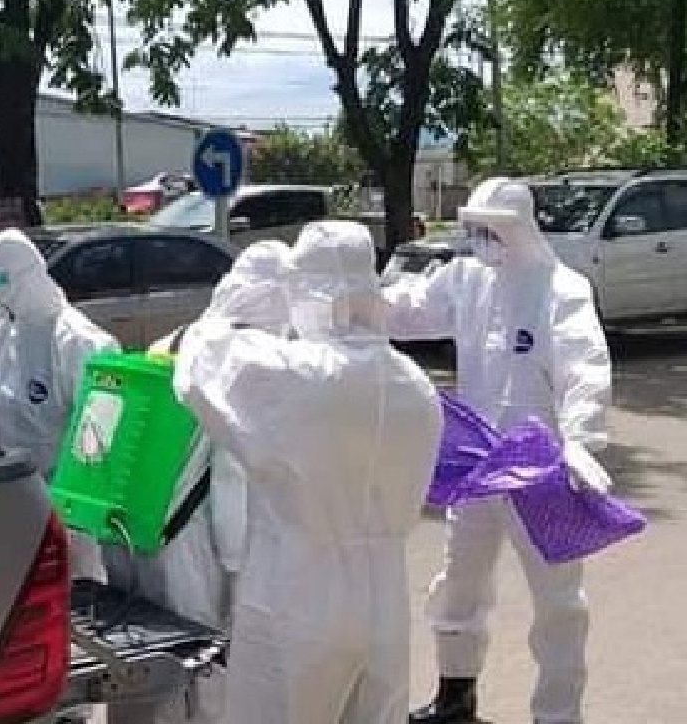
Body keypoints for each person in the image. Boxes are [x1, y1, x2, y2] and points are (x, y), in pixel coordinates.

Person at [173, 220, 443, 724]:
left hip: (297, 596)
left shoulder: (295, 376)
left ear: (312, 294)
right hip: (385, 598)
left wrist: (238, 292)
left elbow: (199, 364)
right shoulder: (414, 384)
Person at [386, 177, 613, 724]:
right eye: (478, 228)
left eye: (494, 229)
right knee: (459, 583)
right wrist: (348, 300)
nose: (484, 239)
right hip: (478, 466)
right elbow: (408, 308)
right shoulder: (466, 280)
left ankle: (558, 714)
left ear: (521, 227)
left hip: (542, 470)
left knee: (558, 602)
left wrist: (581, 440)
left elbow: (584, 368)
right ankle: (455, 696)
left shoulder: (560, 289)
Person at [108, 243, 290, 724]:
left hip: (136, 520)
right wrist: (239, 563)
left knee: (139, 649)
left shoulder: (174, 340)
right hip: (193, 538)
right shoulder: (241, 361)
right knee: (197, 654)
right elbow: (231, 476)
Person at [0, 227, 119, 581]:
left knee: (74, 582)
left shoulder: (75, 341)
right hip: (19, 482)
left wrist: (74, 501)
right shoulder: (7, 324)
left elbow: (99, 434)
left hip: (67, 493)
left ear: (22, 280)